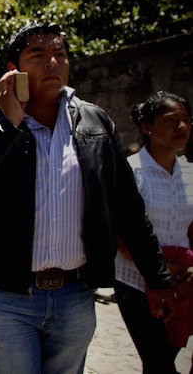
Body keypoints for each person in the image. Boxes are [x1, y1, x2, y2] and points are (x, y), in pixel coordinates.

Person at [0, 22, 176, 374]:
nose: (52, 62)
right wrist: (10, 127)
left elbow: (128, 207)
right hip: (3, 299)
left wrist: (157, 277)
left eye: (60, 54)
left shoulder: (95, 122)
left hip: (75, 296)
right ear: (14, 71)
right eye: (37, 56)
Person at [115, 91, 193, 373]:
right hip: (135, 282)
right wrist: (161, 269)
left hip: (182, 284)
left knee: (162, 361)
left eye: (186, 120)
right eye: (171, 120)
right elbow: (120, 234)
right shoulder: (131, 173)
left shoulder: (190, 173)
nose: (182, 127)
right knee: (159, 362)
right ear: (147, 128)